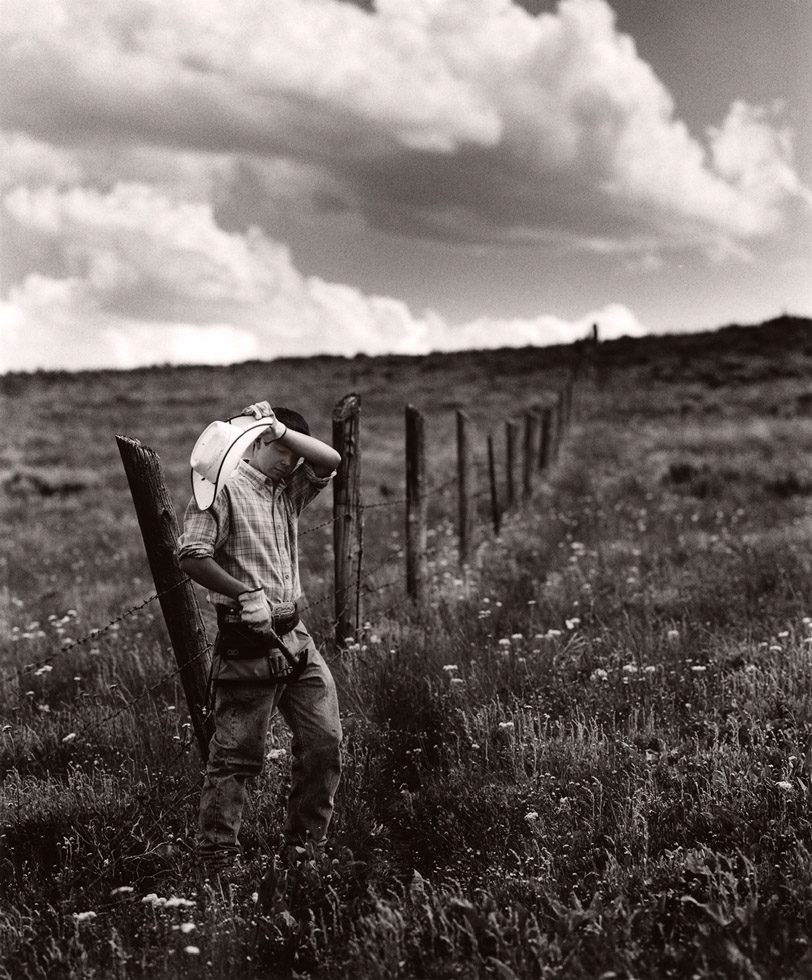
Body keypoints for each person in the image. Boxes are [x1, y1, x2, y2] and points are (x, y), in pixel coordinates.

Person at [177, 400, 343, 881]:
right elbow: (191, 556)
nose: (291, 461)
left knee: (324, 743)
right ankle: (216, 861)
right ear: (255, 443)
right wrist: (244, 592)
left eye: (295, 451)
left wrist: (279, 430)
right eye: (280, 448)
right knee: (237, 758)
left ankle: (305, 850)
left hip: (298, 636)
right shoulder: (222, 488)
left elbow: (329, 461)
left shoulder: (286, 492)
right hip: (247, 640)